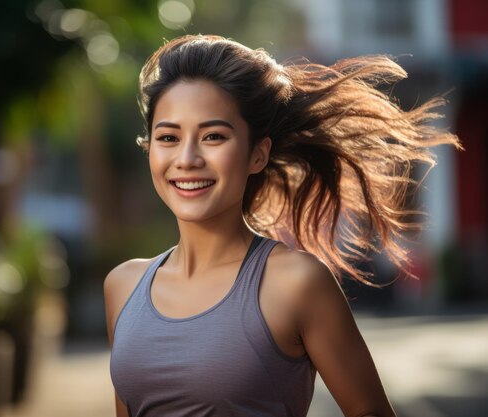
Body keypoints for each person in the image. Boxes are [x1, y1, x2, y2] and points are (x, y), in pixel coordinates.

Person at [103, 35, 461, 417]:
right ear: (150, 150)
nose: (187, 158)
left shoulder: (295, 281)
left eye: (213, 137)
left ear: (258, 154)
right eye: (168, 137)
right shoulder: (123, 287)